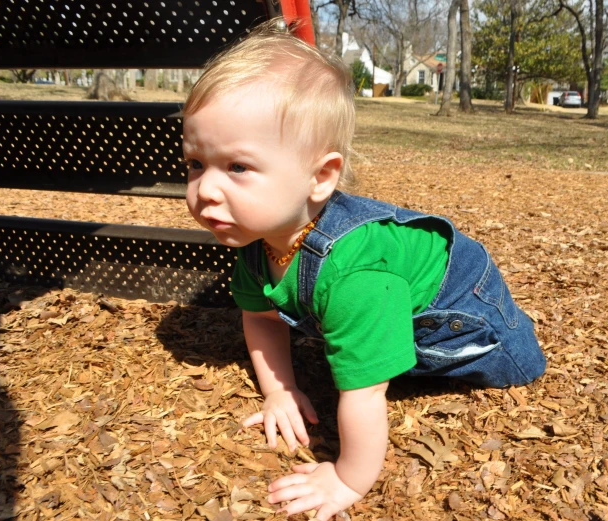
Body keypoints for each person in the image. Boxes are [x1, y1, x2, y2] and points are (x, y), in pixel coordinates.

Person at [182, 20, 546, 521]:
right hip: (386, 291)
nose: (205, 191)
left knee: (495, 365)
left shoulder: (357, 278)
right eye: (196, 164)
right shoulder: (254, 237)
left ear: (320, 177)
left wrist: (347, 477)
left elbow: (366, 391)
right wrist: (280, 390)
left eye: (237, 168)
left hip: (463, 306)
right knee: (361, 343)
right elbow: (261, 317)